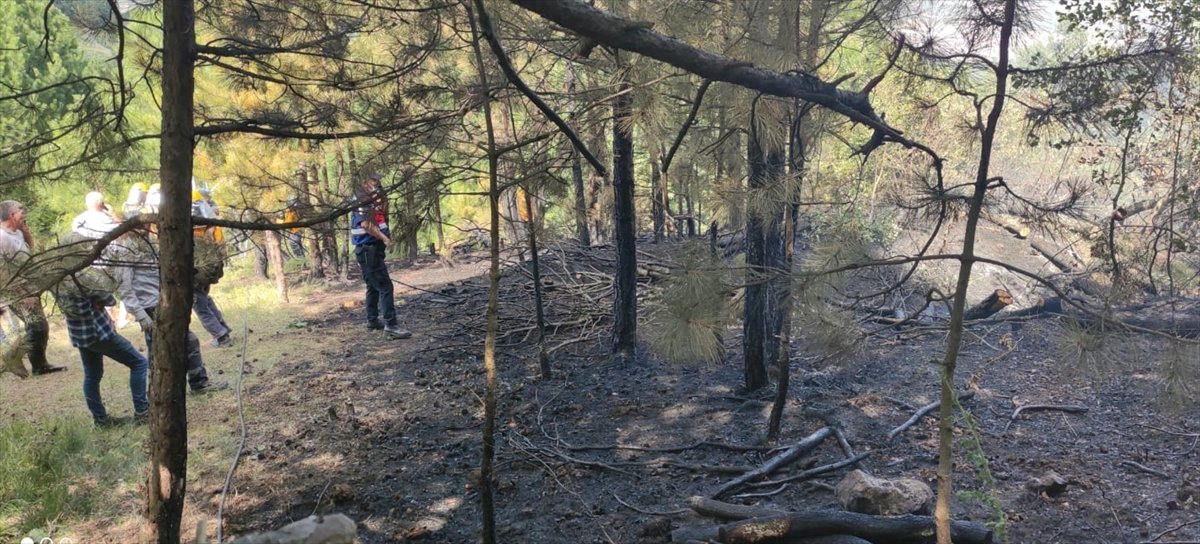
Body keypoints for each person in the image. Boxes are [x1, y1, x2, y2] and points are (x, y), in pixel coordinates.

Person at [108, 224, 226, 394]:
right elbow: (124, 288)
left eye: (147, 225)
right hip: (149, 308)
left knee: (172, 347)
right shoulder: (126, 252)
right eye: (141, 227)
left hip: (162, 303)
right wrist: (142, 316)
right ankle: (183, 387)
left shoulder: (149, 246)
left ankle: (180, 387)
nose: (146, 229)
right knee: (170, 349)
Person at [51, 233, 148, 427]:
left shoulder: (56, 276)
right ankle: (142, 411)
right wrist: (99, 300)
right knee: (139, 363)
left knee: (92, 375)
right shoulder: (82, 275)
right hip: (98, 332)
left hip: (80, 334)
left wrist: (98, 300)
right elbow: (109, 298)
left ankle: (101, 420)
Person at [0, 200, 66, 376]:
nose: (24, 214)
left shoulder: (16, 232)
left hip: (28, 285)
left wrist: (25, 232)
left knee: (38, 326)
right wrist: (24, 293)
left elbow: (29, 251)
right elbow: (4, 272)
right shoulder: (1, 237)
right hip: (16, 289)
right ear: (11, 215)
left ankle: (39, 365)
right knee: (37, 326)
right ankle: (13, 355)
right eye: (21, 211)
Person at [351, 174, 411, 338]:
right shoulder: (361, 200)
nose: (377, 185)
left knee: (373, 285)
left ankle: (372, 320)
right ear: (365, 182)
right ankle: (391, 325)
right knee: (385, 286)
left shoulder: (375, 200)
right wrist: (385, 239)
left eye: (378, 182)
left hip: (373, 248)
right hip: (367, 248)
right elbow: (365, 224)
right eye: (373, 181)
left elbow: (382, 217)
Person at [191, 189, 233, 347]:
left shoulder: (190, 230)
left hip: (197, 273)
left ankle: (221, 336)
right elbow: (221, 247)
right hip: (209, 271)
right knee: (205, 300)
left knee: (200, 306)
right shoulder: (212, 224)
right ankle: (223, 328)